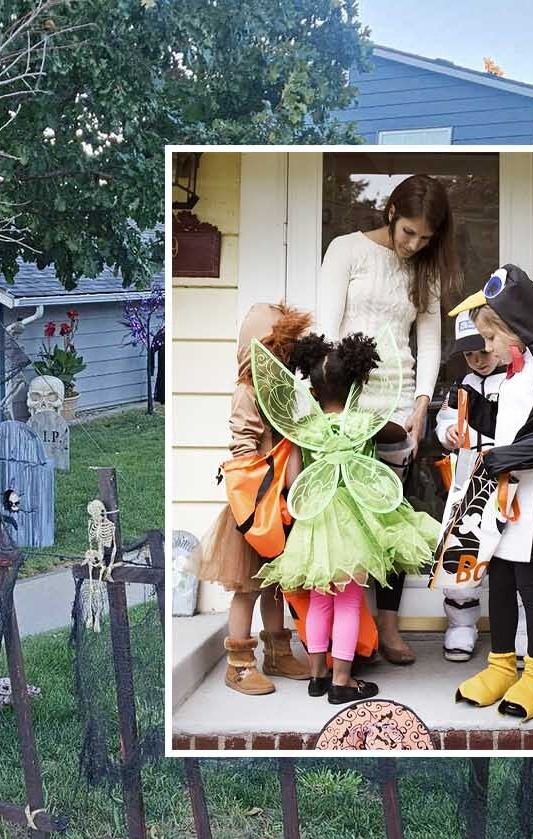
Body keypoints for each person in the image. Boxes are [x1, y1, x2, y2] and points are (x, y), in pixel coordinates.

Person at [251, 331, 440, 705]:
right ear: (356, 383)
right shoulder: (364, 423)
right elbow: (398, 431)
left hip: (316, 527)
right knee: (349, 601)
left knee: (321, 600)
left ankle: (317, 675)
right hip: (355, 528)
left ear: (314, 391)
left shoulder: (304, 431)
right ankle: (343, 680)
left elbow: (291, 482)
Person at [315, 174, 458, 664]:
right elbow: (327, 330)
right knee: (348, 518)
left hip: (399, 407)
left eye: (425, 238)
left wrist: (422, 404)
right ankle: (344, 637)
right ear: (391, 212)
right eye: (408, 233)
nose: (413, 245)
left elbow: (431, 338)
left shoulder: (425, 270)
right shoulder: (346, 251)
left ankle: (389, 628)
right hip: (351, 405)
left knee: (391, 515)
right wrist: (332, 406)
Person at [450, 266, 533, 721]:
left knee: (531, 587)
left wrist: (510, 457)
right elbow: (505, 424)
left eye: (490, 340)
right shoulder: (513, 377)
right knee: (500, 585)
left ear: (517, 331)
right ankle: (502, 666)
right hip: (504, 504)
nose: (485, 349)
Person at [195, 303, 313, 695]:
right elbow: (243, 443)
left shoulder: (281, 393)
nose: (285, 360)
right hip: (255, 506)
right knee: (247, 585)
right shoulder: (247, 391)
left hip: (280, 503)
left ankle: (277, 652)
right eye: (279, 352)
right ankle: (240, 663)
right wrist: (261, 479)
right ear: (259, 351)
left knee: (276, 583)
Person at [432, 311, 512, 662]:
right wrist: (446, 432)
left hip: (509, 478)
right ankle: (462, 626)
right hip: (469, 481)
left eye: (483, 350)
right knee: (461, 555)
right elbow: (446, 419)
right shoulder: (461, 385)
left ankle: (519, 629)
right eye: (469, 354)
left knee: (513, 557)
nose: (478, 360)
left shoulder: (515, 380)